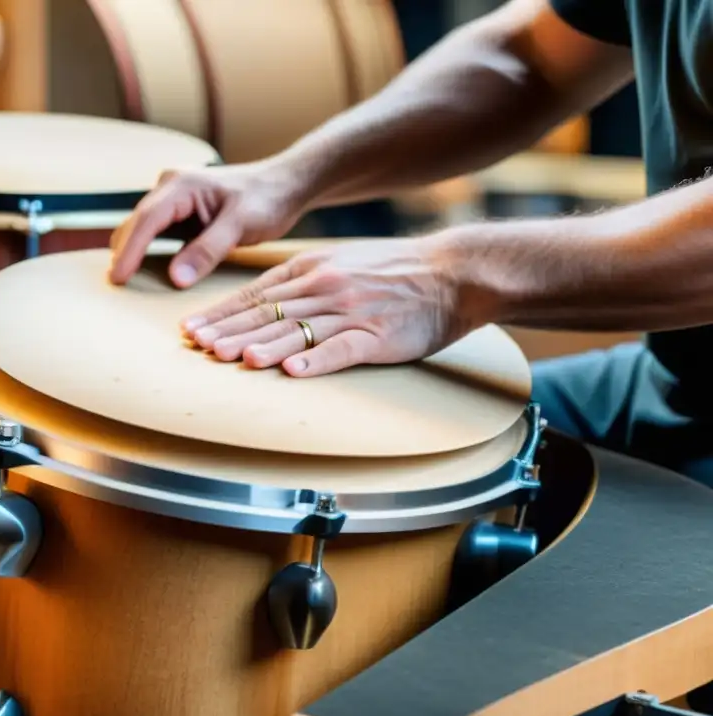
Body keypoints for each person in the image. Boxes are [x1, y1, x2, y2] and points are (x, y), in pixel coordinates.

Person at [107, 0, 713, 488]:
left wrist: (449, 278)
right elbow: (532, 60)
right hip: (666, 385)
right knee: (319, 454)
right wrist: (287, 177)